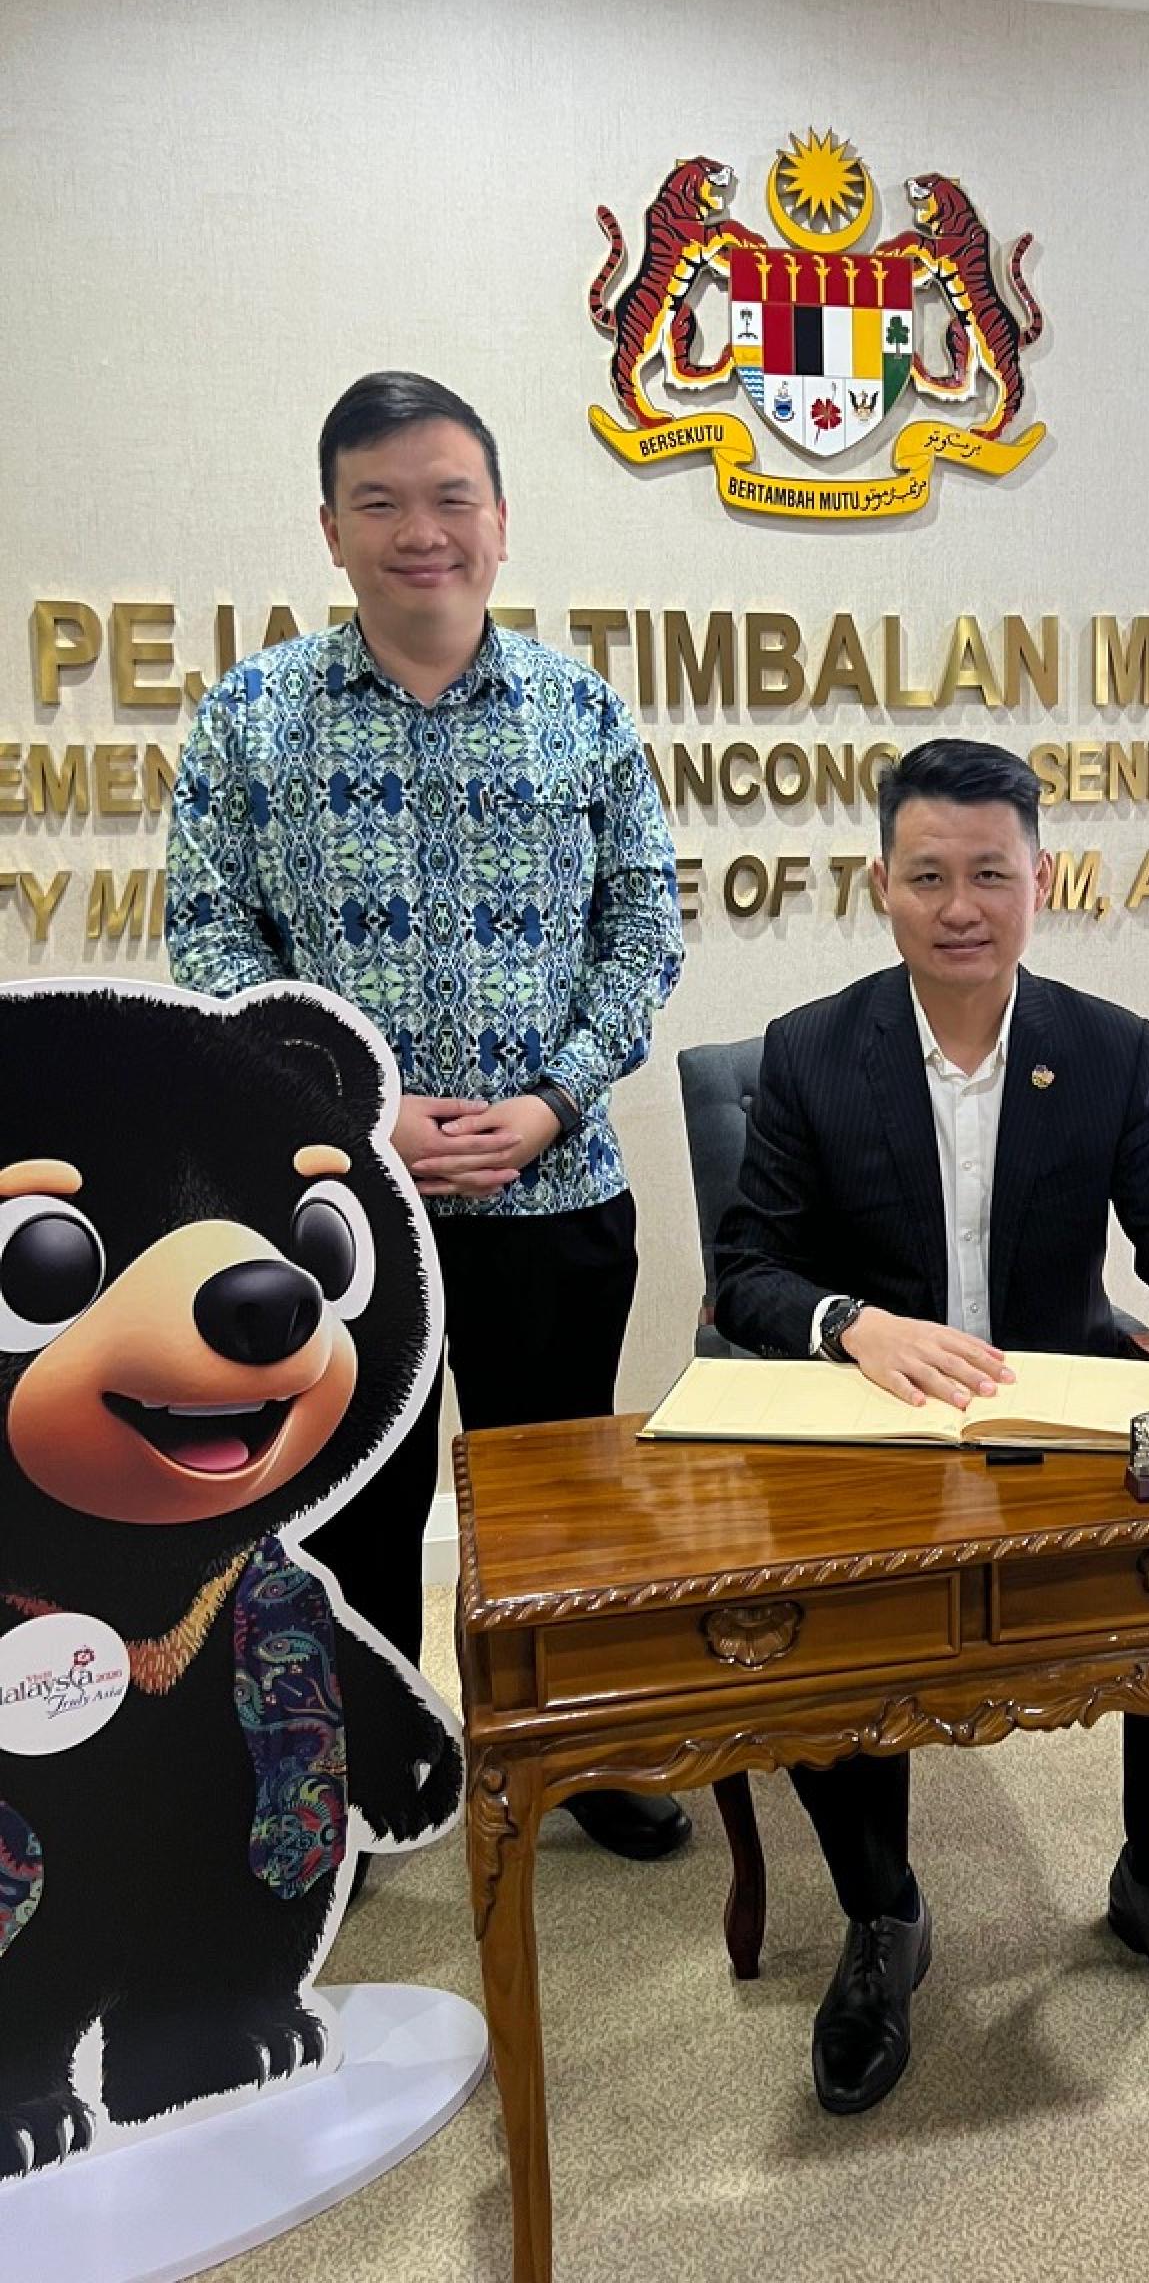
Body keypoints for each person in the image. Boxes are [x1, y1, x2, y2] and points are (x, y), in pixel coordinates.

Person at [714, 738, 1149, 2113]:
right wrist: (853, 1321)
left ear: (1041, 881)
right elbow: (745, 1272)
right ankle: (883, 1915)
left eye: (991, 874)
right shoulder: (811, 1050)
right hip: (879, 1410)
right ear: (882, 883)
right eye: (929, 876)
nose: (960, 906)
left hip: (1060, 1398)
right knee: (819, 1612)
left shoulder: (1105, 1047)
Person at [166, 370, 691, 1863]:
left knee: (554, 1504)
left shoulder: (582, 713)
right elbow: (211, 945)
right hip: (338, 1214)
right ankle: (355, 1783)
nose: (421, 532)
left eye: (451, 498)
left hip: (554, 1191)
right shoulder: (247, 720)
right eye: (381, 502)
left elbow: (643, 928)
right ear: (331, 528)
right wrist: (355, 1121)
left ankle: (574, 1752)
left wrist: (550, 1100)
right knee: (345, 1513)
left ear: (500, 522)